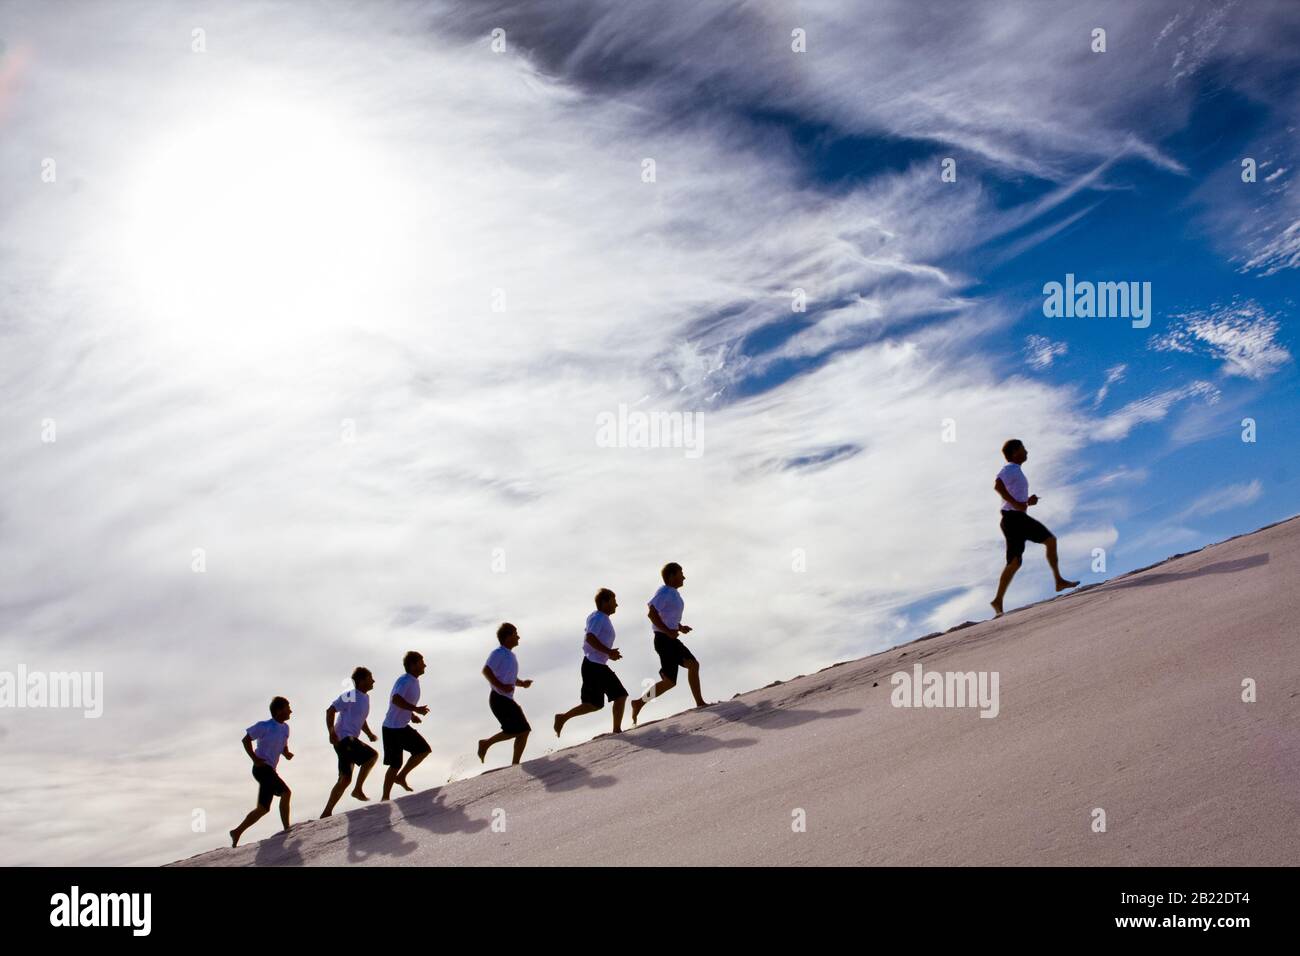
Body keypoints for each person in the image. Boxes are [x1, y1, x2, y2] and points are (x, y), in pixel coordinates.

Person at [991, 439, 1079, 616]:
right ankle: (1058, 581)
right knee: (1049, 541)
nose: (1027, 451)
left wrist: (1027, 502)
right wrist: (1017, 503)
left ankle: (998, 600)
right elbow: (997, 485)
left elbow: (1016, 502)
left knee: (1015, 562)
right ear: (1015, 452)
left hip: (1015, 518)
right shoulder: (1010, 468)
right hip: (1013, 519)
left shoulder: (1016, 471)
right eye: (1023, 449)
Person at [631, 562, 706, 724]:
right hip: (664, 640)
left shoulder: (673, 594)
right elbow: (651, 614)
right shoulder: (664, 592)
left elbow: (667, 616)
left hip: (669, 639)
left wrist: (679, 627)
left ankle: (638, 702)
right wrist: (668, 631)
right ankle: (699, 702)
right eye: (681, 573)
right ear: (671, 576)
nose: (684, 577)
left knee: (678, 676)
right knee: (686, 669)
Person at [554, 588, 628, 737]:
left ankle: (563, 717)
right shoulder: (598, 618)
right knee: (619, 695)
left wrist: (609, 654)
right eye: (614, 601)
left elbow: (594, 641)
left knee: (596, 704)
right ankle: (617, 731)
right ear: (604, 602)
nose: (617, 605)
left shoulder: (601, 618)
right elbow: (590, 638)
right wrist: (609, 652)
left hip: (596, 664)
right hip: (593, 666)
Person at [230, 696, 295, 847]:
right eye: (288, 708)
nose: (290, 711)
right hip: (262, 768)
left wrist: (286, 753)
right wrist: (255, 759)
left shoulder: (285, 728)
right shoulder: (264, 726)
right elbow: (246, 740)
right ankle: (287, 829)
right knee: (286, 793)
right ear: (279, 710)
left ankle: (237, 831)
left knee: (263, 808)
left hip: (270, 769)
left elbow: (283, 745)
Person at [321, 666, 380, 817]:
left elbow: (361, 719)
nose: (373, 681)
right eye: (370, 678)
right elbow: (330, 710)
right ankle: (358, 789)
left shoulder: (365, 698)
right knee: (372, 756)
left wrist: (369, 734)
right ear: (361, 681)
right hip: (344, 738)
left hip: (347, 740)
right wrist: (331, 731)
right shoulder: (351, 695)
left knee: (345, 778)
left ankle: (326, 812)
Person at [478, 623, 532, 764]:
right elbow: (486, 671)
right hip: (499, 698)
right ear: (508, 637)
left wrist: (522, 683)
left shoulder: (510, 655)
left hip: (504, 698)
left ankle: (488, 745)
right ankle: (512, 762)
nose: (518, 637)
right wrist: (501, 686)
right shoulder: (499, 653)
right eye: (515, 634)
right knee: (522, 730)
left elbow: (509, 677)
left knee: (520, 730)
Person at [381, 651, 431, 800]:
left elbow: (400, 701)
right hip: (392, 728)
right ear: (413, 665)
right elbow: (396, 699)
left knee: (422, 750)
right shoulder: (405, 681)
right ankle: (385, 798)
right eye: (422, 662)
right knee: (395, 764)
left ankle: (401, 777)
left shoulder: (412, 681)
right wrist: (416, 709)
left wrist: (411, 715)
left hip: (400, 726)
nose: (425, 665)